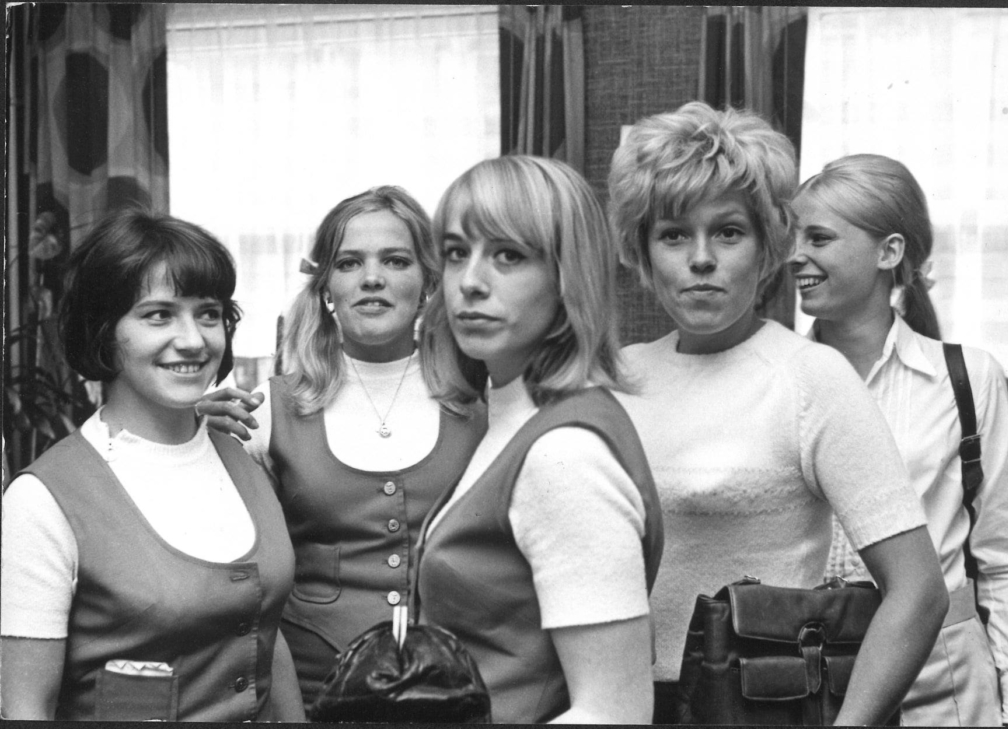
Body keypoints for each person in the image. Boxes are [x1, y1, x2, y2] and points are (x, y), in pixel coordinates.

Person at [606, 102, 949, 725]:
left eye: (728, 233)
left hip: (757, 705)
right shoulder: (617, 376)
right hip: (618, 704)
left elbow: (919, 592)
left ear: (766, 247)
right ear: (643, 251)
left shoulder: (810, 377)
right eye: (674, 235)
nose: (701, 258)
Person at [0, 209, 302, 721]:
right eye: (159, 315)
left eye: (208, 314)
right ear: (103, 332)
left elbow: (263, 636)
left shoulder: (241, 455)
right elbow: (27, 707)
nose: (193, 340)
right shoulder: (42, 502)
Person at [198, 186, 486, 710]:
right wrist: (190, 434)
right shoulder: (268, 409)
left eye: (395, 260)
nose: (372, 278)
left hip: (452, 694)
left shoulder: (480, 404)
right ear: (326, 286)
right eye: (350, 263)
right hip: (310, 697)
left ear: (428, 282)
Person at [416, 155, 664, 724]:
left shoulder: (564, 452)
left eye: (508, 255)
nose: (470, 282)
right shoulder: (511, 416)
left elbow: (615, 713)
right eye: (456, 252)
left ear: (567, 276)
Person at [791, 153, 1008, 726]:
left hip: (947, 681)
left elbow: (1004, 558)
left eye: (818, 238)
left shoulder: (967, 379)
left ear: (889, 252)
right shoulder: (777, 377)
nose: (795, 255)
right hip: (805, 671)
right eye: (793, 236)